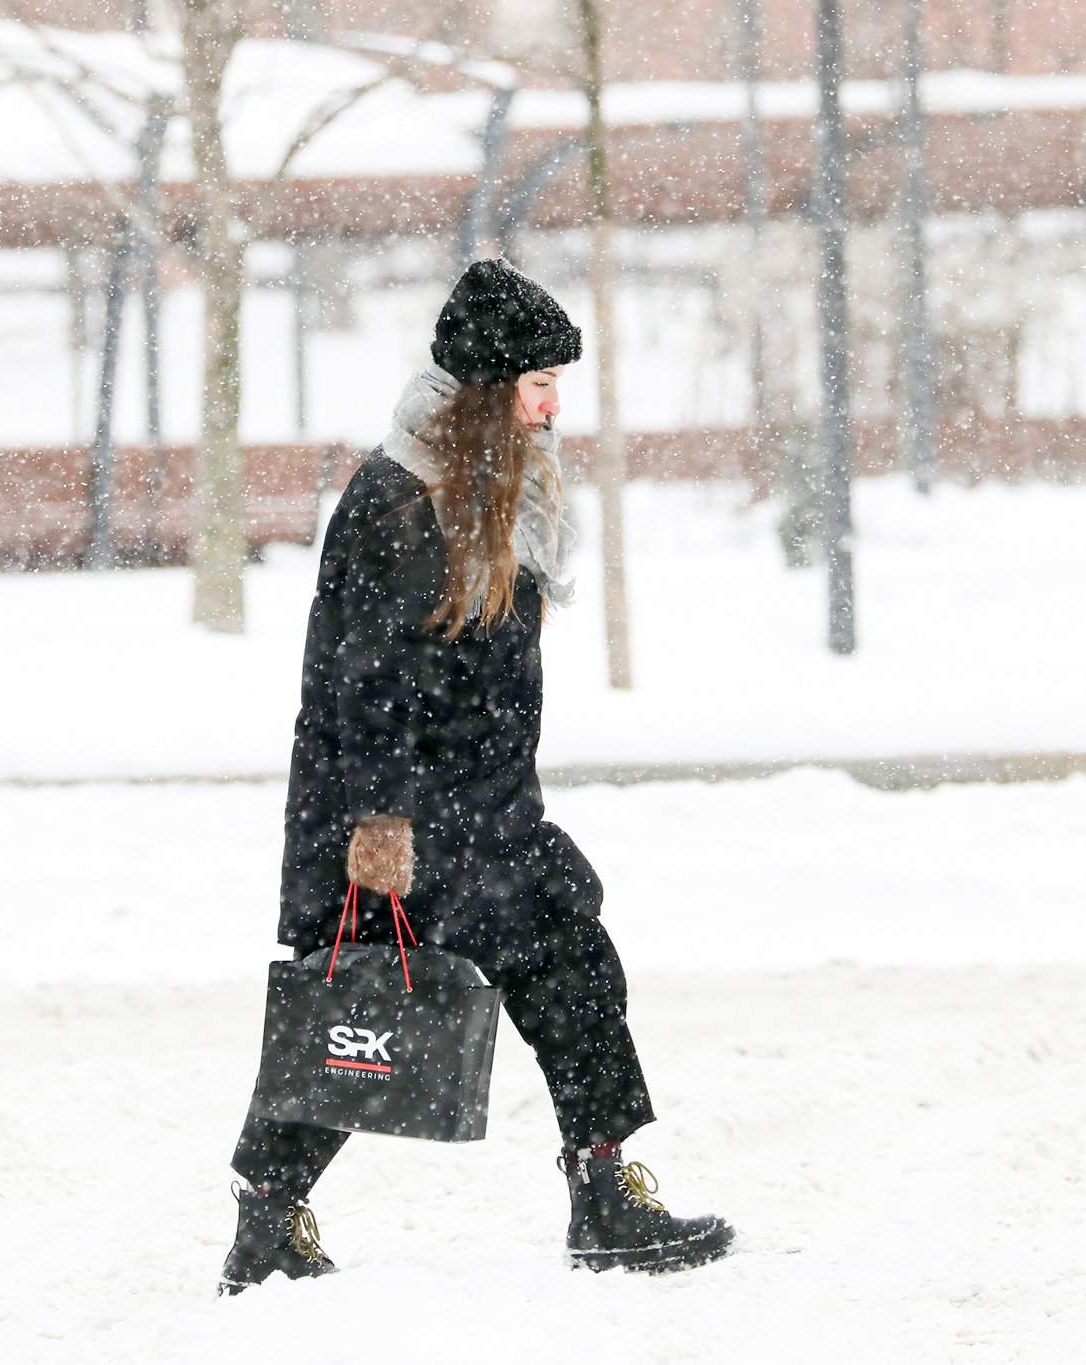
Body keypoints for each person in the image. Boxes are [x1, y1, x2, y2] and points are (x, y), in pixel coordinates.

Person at [218, 259, 735, 1294]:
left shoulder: (495, 486)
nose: (553, 405)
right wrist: (378, 828)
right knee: (358, 1015)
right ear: (491, 390)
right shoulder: (396, 498)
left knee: (562, 973)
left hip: (483, 807)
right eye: (539, 384)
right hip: (406, 816)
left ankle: (599, 1191)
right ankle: (270, 1217)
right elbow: (362, 680)